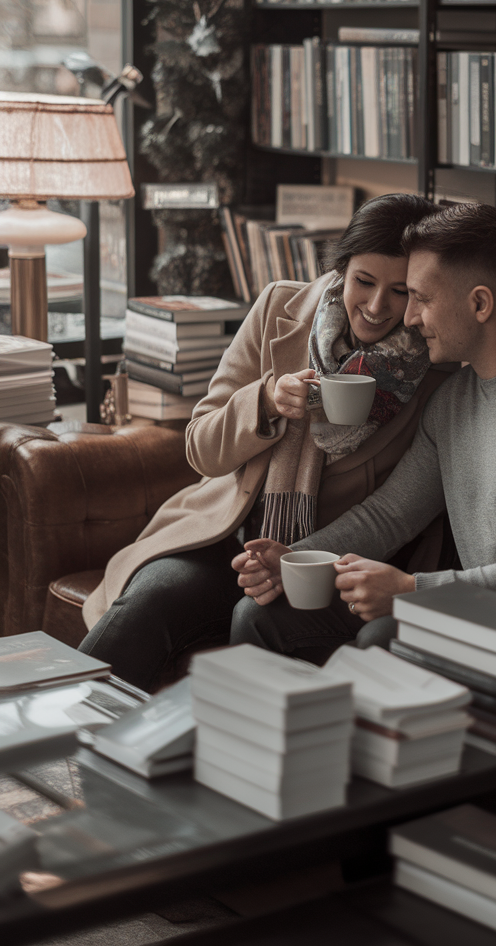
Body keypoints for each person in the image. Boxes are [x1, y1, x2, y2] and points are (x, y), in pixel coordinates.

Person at [233, 203, 496, 656]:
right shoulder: (453, 400)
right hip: (478, 615)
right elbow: (389, 516)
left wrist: (416, 590)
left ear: (479, 303)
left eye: (421, 298)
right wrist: (296, 558)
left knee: (383, 640)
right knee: (260, 617)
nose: (408, 317)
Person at [79, 192, 454, 691]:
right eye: (363, 282)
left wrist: (296, 561)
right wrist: (265, 403)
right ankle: (53, 741)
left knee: (252, 614)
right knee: (150, 602)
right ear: (341, 270)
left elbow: (399, 512)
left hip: (319, 562)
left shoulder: (437, 369)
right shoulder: (279, 305)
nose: (377, 305)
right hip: (225, 537)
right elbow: (200, 448)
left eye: (401, 291)